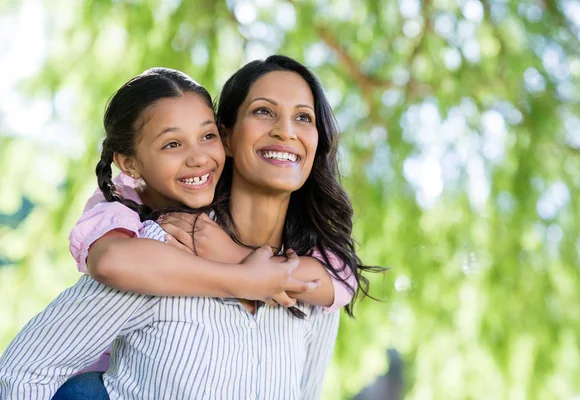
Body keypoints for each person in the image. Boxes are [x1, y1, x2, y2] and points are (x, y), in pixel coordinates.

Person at [0, 56, 373, 399]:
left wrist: (240, 261)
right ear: (228, 136)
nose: (286, 131)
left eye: (304, 117)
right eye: (264, 112)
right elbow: (24, 372)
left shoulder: (315, 282)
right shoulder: (163, 247)